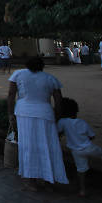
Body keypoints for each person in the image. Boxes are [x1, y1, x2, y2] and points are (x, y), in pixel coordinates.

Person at [8, 57, 69, 191]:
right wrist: (57, 116)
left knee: (29, 146)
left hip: (24, 113)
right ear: (42, 66)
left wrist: (10, 113)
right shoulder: (50, 78)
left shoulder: (18, 74)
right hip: (45, 113)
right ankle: (48, 179)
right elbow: (59, 100)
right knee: (48, 145)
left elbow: (11, 94)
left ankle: (32, 181)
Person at [57, 97, 102, 197]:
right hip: (89, 147)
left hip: (76, 151)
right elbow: (92, 136)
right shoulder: (82, 122)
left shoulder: (62, 122)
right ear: (76, 110)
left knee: (81, 170)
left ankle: (82, 190)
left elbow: (58, 132)